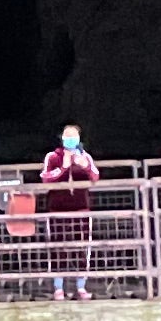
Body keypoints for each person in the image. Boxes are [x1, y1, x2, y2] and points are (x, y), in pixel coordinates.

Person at [39, 123, 101, 299]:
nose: (71, 139)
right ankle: (59, 287)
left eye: (74, 136)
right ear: (62, 137)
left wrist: (86, 167)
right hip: (57, 209)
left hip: (81, 208)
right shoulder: (52, 157)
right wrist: (63, 167)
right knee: (58, 248)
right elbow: (45, 178)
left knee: (82, 248)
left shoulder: (85, 156)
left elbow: (95, 176)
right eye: (68, 135)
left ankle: (81, 286)